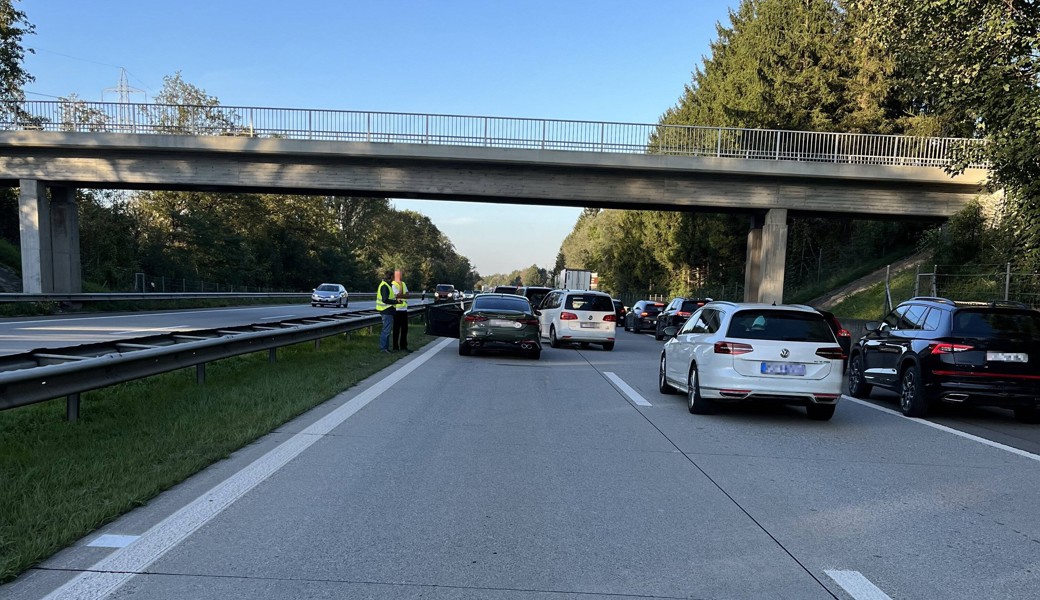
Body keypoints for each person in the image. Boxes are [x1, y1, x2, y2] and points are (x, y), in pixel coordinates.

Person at [376, 269, 397, 353]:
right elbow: (385, 299)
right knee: (386, 330)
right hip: (386, 310)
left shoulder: (387, 285)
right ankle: (383, 348)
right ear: (391, 277)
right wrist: (396, 302)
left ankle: (386, 348)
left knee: (387, 330)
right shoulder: (385, 286)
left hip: (388, 310)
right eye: (393, 277)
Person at [391, 270, 410, 353]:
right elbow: (397, 295)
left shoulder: (403, 283)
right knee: (396, 329)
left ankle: (404, 346)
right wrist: (403, 294)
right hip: (397, 309)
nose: (400, 276)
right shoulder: (393, 284)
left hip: (404, 309)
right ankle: (395, 347)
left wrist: (402, 295)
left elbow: (408, 295)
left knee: (405, 329)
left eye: (401, 274)